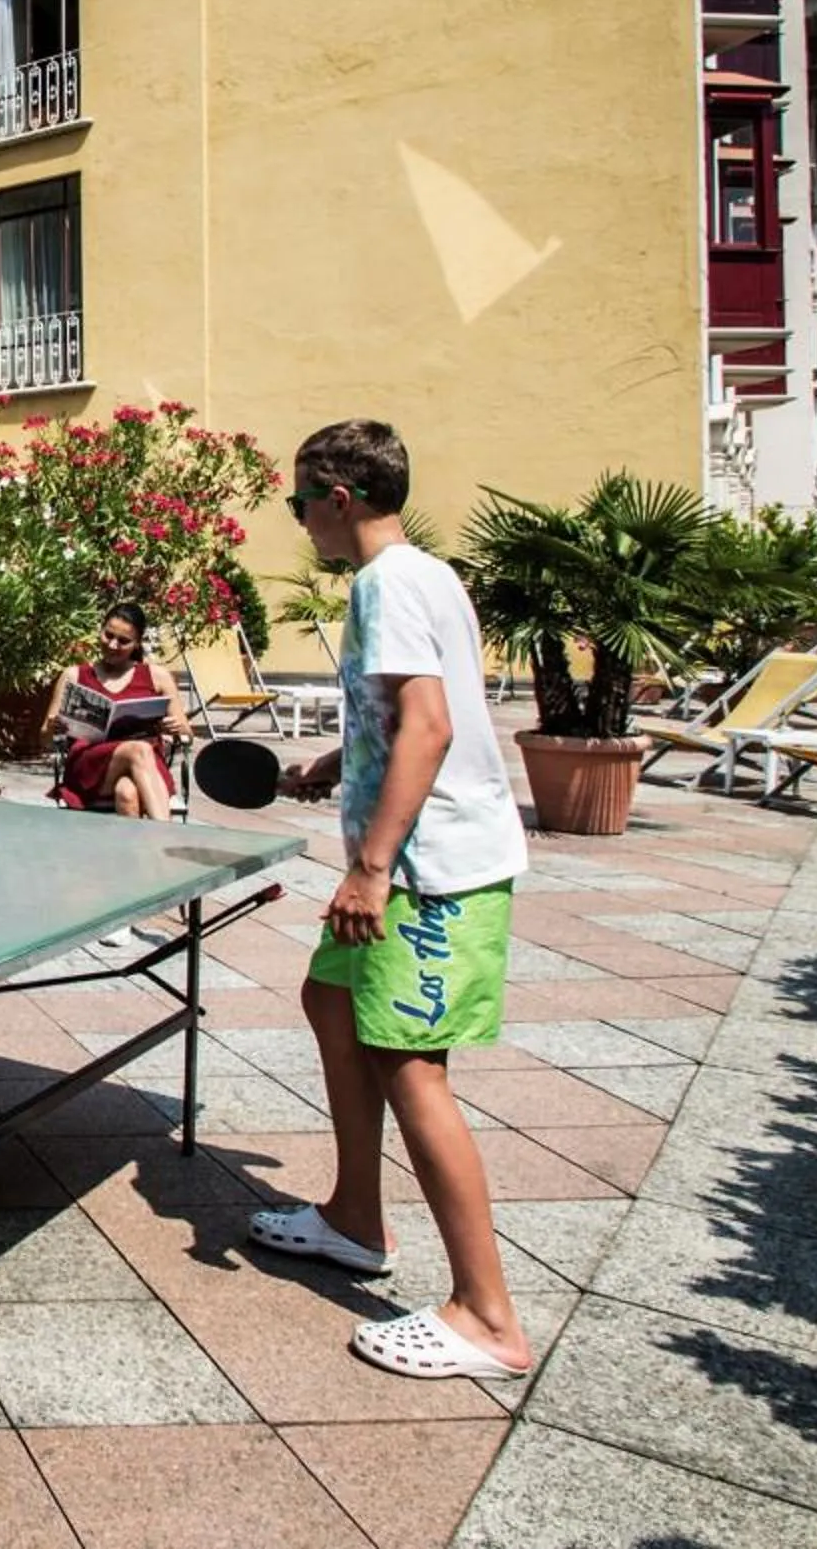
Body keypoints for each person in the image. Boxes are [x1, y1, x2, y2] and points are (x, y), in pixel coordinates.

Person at [257, 418, 535, 1381]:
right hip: (411, 853)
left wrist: (370, 868)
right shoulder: (427, 575)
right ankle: (352, 1216)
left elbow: (430, 723)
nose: (299, 525)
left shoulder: (385, 583)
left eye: (299, 505)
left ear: (339, 498)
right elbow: (410, 712)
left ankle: (486, 1316)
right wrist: (337, 762)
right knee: (328, 1000)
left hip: (430, 871)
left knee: (412, 1066)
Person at [43, 601, 192, 818]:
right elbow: (44, 739)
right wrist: (52, 727)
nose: (113, 645)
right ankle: (166, 838)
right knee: (139, 749)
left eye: (123, 641)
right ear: (100, 630)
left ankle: (141, 850)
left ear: (137, 644)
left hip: (146, 767)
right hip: (91, 766)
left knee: (127, 793)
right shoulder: (74, 676)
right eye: (108, 635)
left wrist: (176, 728)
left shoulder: (157, 676)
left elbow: (187, 735)